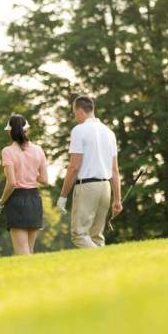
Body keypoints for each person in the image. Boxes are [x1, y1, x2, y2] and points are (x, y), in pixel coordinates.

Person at [57, 96, 122, 248]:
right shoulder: (109, 132)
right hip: (105, 188)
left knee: (79, 235)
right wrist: (117, 199)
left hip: (87, 187)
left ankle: (103, 260)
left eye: (74, 113)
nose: (75, 117)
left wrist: (63, 196)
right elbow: (114, 169)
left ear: (80, 111)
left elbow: (74, 166)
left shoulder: (79, 130)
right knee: (96, 236)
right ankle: (103, 269)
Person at [0, 115, 48, 255]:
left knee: (22, 252)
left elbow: (11, 183)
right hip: (34, 199)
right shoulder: (38, 150)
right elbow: (45, 180)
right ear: (27, 130)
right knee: (29, 250)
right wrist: (31, 173)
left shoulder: (7, 151)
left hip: (17, 200)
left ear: (9, 132)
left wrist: (0, 203)